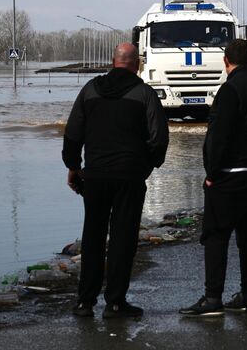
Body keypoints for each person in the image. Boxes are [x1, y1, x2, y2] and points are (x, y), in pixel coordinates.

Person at [62, 42, 169, 319]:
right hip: (129, 176)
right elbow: (159, 138)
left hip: (95, 175)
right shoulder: (144, 93)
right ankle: (116, 303)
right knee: (123, 239)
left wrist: (74, 167)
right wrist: (147, 166)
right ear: (137, 65)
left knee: (93, 236)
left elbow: (73, 131)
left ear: (113, 61)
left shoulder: (90, 89)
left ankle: (85, 302)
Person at [179, 39, 247, 317]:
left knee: (215, 235)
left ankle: (213, 299)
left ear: (226, 62)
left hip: (232, 176)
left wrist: (212, 174)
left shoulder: (230, 90)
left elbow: (218, 138)